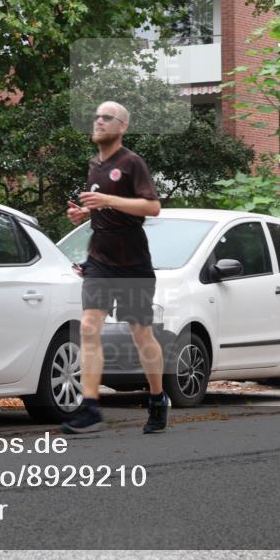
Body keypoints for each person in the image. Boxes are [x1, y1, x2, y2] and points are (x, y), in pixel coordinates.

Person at [61, 101, 168, 434]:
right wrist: (86, 214)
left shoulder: (132, 163)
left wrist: (107, 201)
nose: (98, 122)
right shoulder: (94, 166)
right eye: (95, 117)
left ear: (122, 126)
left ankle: (157, 397)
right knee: (89, 327)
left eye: (106, 118)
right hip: (100, 261)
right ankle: (90, 407)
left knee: (141, 334)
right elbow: (105, 208)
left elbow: (152, 207)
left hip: (132, 262)